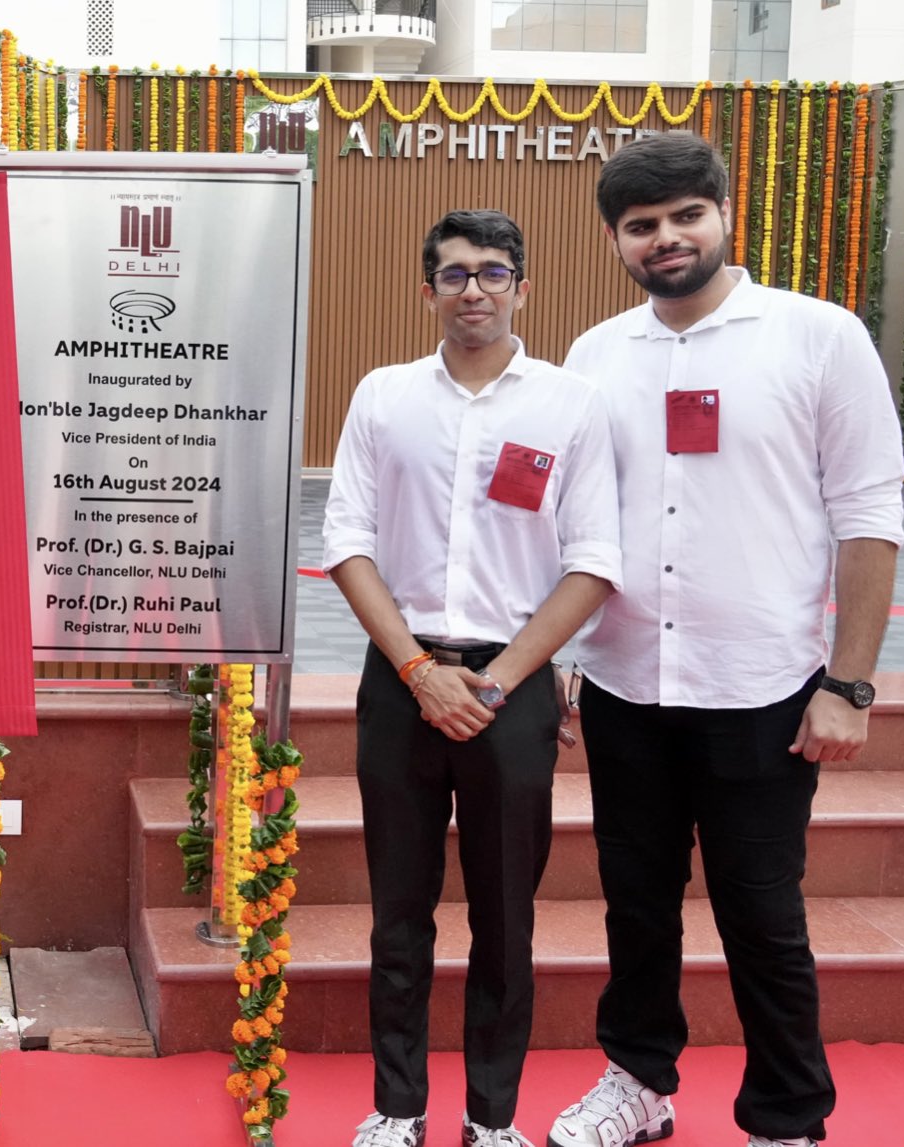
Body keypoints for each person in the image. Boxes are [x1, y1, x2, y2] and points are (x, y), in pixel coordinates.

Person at [545, 133, 904, 1147]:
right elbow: (574, 519)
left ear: (721, 215)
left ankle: (786, 1118)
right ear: (615, 241)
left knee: (760, 915)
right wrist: (561, 661)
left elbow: (868, 515)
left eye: (681, 216)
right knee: (635, 904)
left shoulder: (814, 336)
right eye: (639, 226)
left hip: (761, 690)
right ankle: (637, 1083)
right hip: (623, 685)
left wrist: (849, 683)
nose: (664, 239)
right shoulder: (595, 355)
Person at [324, 210, 622, 1147]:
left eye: (494, 273)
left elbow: (595, 561)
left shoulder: (571, 405)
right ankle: (396, 1108)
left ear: (522, 288)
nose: (475, 290)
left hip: (514, 688)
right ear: (429, 292)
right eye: (454, 275)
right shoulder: (383, 396)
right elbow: (347, 543)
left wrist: (495, 682)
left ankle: (492, 1118)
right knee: (399, 914)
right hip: (402, 681)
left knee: (505, 917)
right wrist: (418, 669)